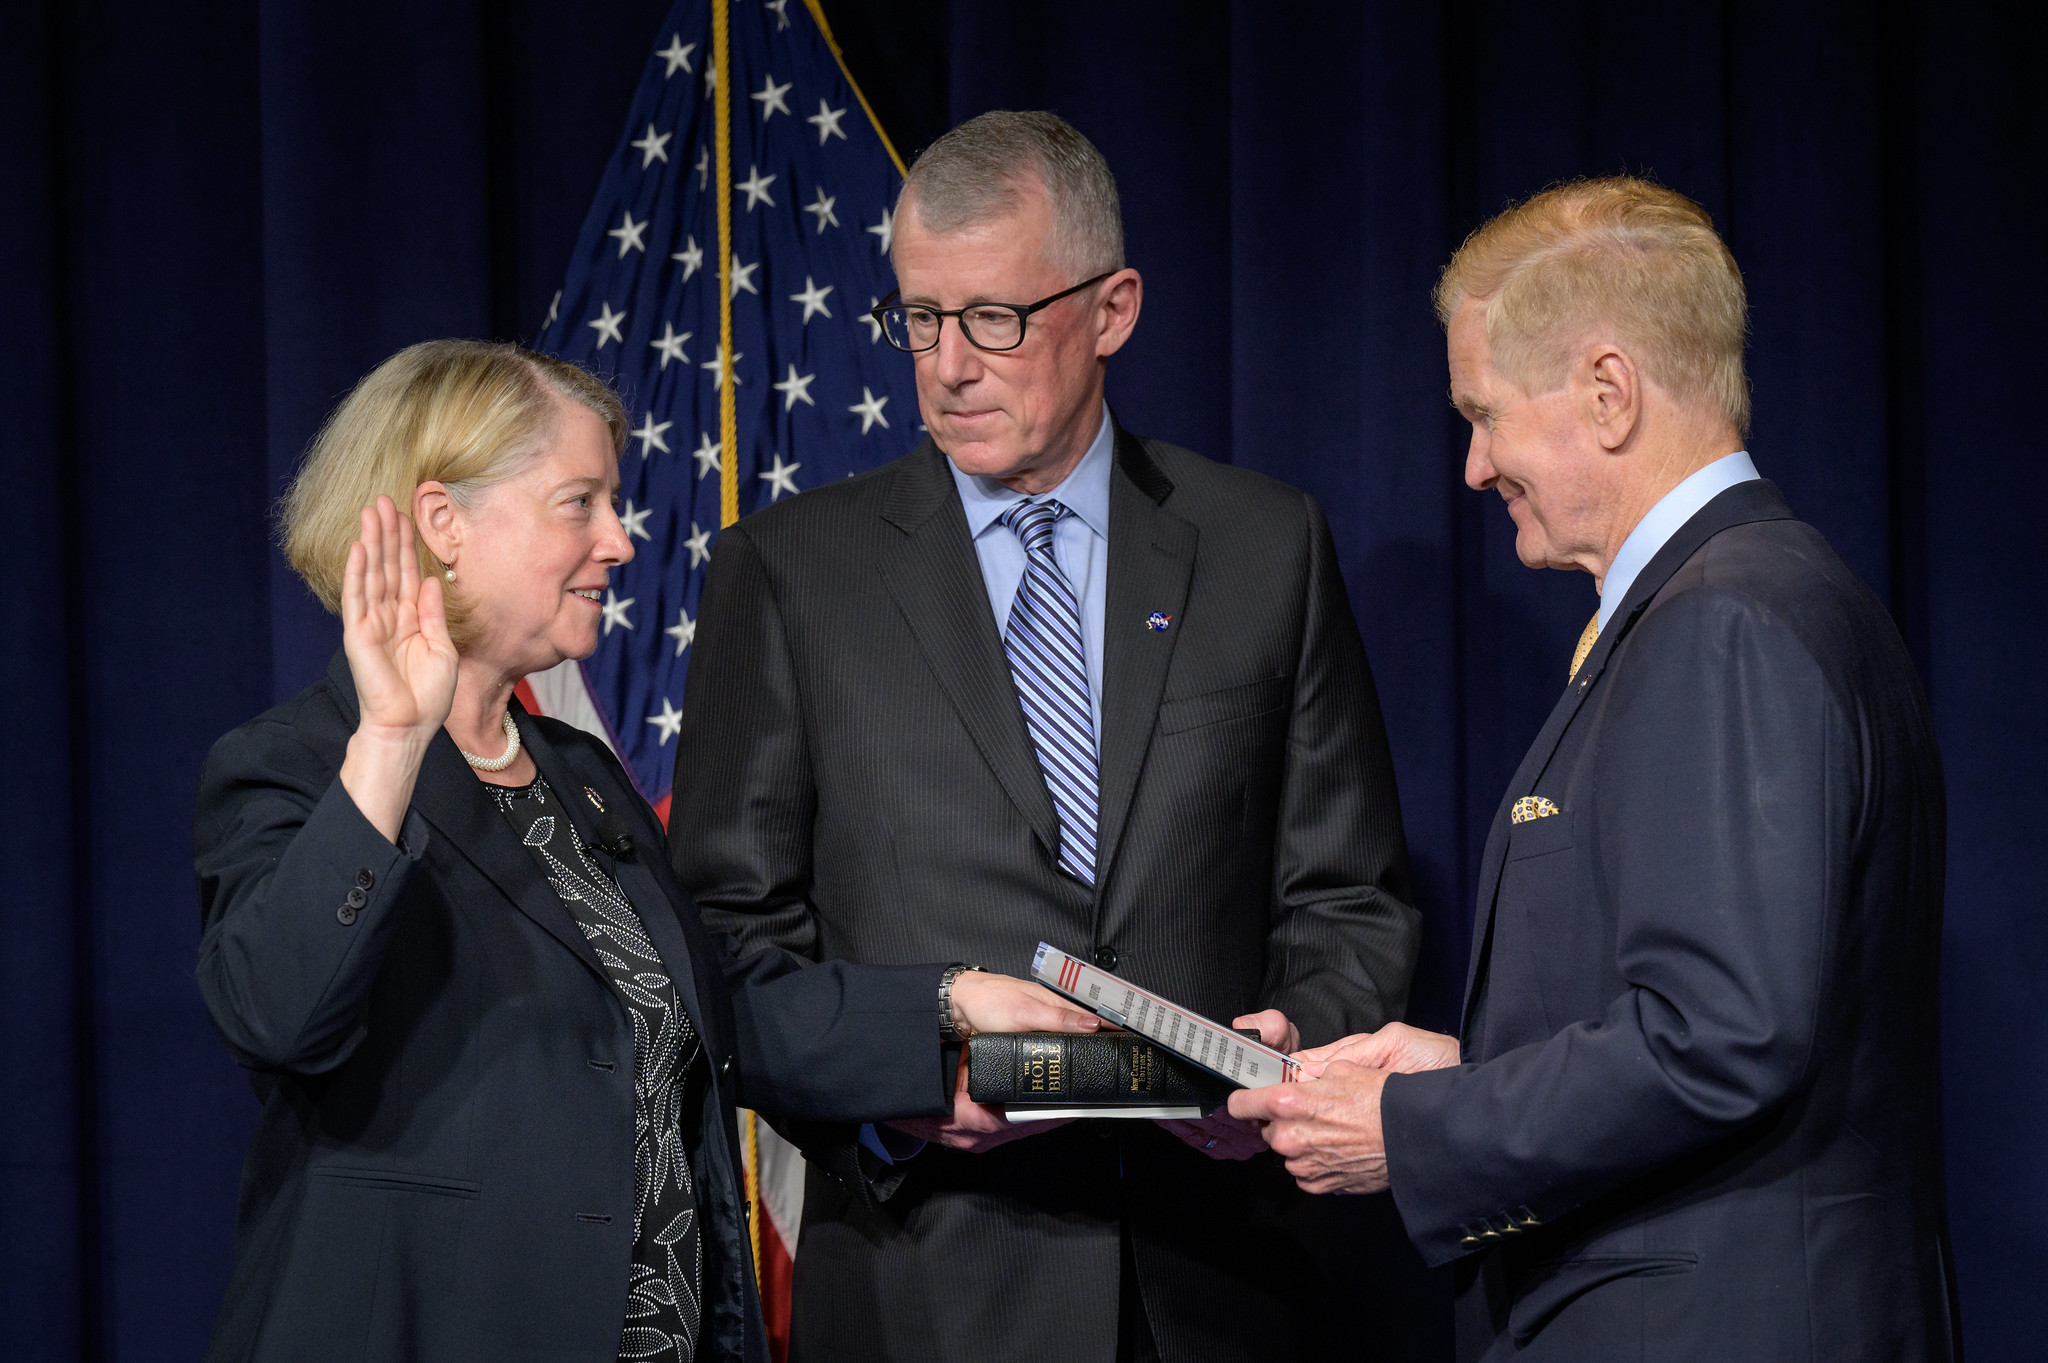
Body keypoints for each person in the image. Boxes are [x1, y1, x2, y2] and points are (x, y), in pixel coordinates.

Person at [669, 111, 1419, 1362]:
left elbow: (1351, 895)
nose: (947, 365)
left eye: (993, 319)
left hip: (1217, 1279)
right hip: (929, 1288)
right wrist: (903, 1088)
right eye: (918, 317)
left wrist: (1285, 1062)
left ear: (1111, 308)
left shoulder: (1264, 546)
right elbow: (724, 960)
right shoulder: (789, 575)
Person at [192, 340, 1096, 1363]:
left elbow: (714, 1016)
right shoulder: (298, 766)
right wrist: (394, 741)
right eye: (577, 502)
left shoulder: (578, 772)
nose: (620, 542)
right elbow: (277, 1015)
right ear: (444, 523)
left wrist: (941, 1001)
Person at [1232, 178, 1958, 1360]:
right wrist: (1463, 1067)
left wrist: (1416, 1128)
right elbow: (1732, 1007)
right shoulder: (1774, 592)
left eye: (1485, 414)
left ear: (1606, 393)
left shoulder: (1722, 622)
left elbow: (1718, 1034)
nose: (1471, 467)